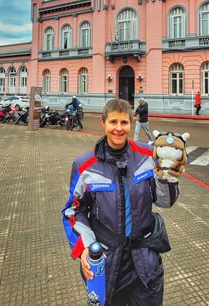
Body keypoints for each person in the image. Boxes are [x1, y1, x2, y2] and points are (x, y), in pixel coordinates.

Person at [62, 99, 182, 305]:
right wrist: (86, 249)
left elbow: (165, 202)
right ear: (103, 123)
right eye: (113, 122)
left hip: (145, 262)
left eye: (124, 123)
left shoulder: (148, 155)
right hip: (107, 263)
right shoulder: (85, 165)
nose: (119, 128)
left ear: (131, 123)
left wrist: (167, 179)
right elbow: (74, 211)